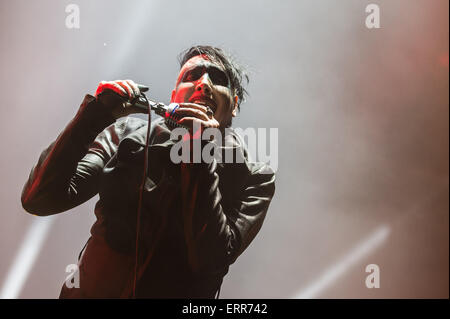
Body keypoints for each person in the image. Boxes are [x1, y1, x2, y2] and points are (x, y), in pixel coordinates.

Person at [21, 45, 276, 298]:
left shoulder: (254, 176)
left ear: (234, 105)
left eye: (218, 79)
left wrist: (198, 151)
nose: (204, 84)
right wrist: (95, 115)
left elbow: (209, 260)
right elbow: (40, 199)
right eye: (192, 76)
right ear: (174, 96)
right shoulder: (128, 133)